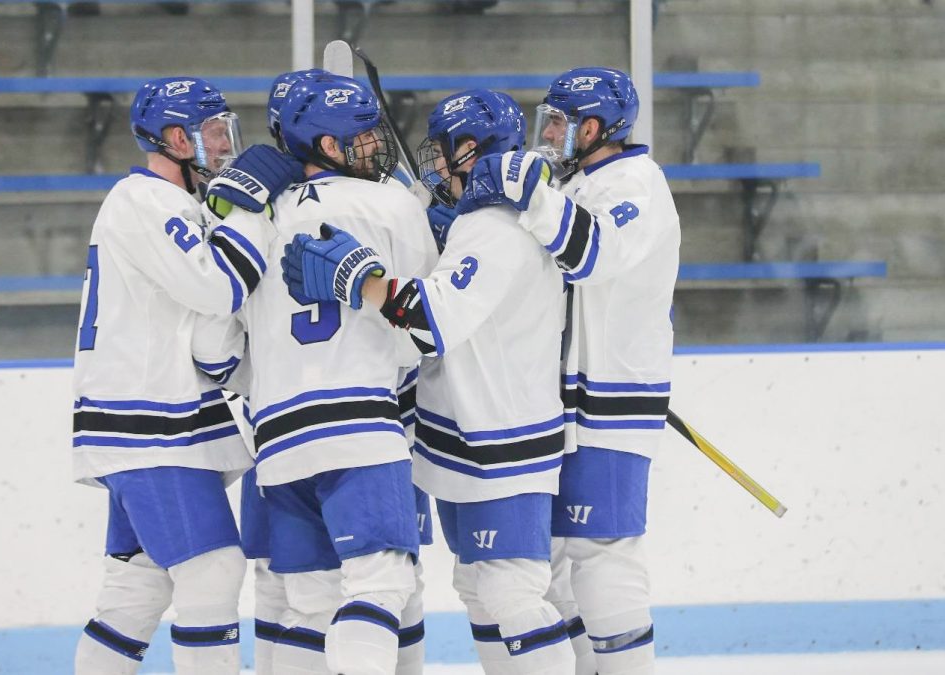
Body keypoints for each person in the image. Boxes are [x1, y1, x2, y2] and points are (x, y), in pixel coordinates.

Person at [282, 89, 574, 675]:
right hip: (470, 439)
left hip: (503, 442)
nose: (435, 163)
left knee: (513, 593)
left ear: (469, 149)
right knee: (479, 587)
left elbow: (428, 324)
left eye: (442, 152)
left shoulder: (497, 229)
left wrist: (360, 277)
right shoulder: (480, 224)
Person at [207, 72, 438, 675]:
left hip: (277, 440)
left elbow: (217, 349)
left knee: (309, 609)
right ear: (328, 147)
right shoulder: (390, 203)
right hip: (362, 425)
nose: (376, 145)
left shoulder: (256, 217)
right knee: (383, 586)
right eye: (362, 135)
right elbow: (427, 333)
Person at [71, 76, 300, 675]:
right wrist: (250, 212)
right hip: (150, 423)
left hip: (157, 418)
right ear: (178, 138)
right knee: (213, 571)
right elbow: (217, 287)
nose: (228, 144)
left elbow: (207, 330)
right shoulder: (145, 202)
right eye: (217, 131)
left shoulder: (178, 205)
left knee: (137, 587)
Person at [458, 66, 682, 675]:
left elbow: (593, 254)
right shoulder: (580, 182)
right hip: (559, 403)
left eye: (557, 121)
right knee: (550, 562)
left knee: (602, 552)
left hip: (609, 401)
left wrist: (529, 194)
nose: (547, 132)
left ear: (592, 127)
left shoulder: (636, 182)